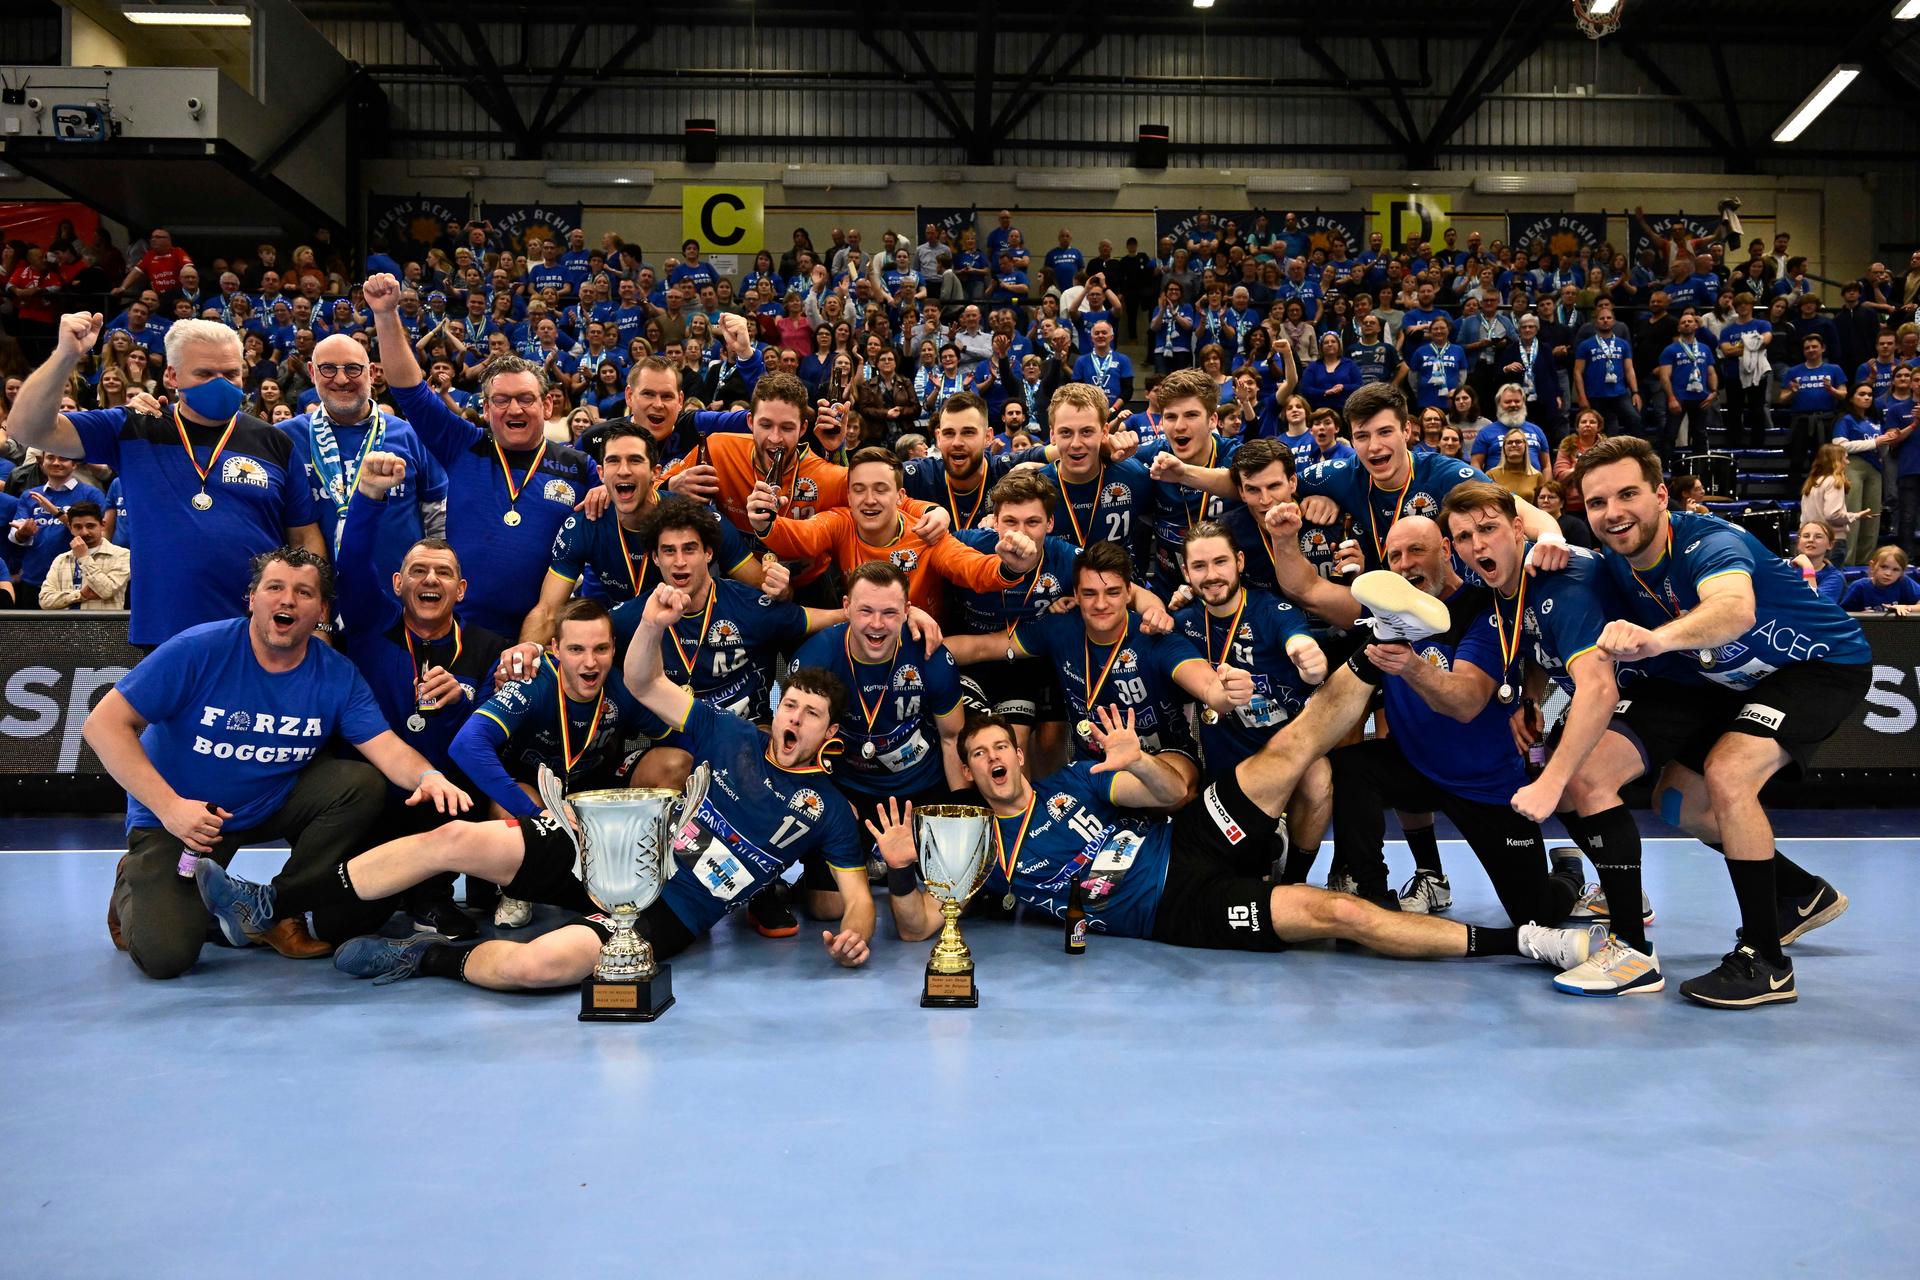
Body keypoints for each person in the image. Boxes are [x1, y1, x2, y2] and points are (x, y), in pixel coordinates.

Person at [198, 585, 877, 992]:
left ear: (828, 733)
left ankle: (426, 958)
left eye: (809, 715)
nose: (792, 718)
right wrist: (651, 624)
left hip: (667, 910)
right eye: (789, 705)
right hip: (609, 848)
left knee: (539, 970)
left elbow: (855, 902)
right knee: (456, 837)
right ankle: (268, 901)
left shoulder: (830, 812)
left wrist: (853, 936)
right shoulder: (731, 732)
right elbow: (644, 683)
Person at [885, 698, 1601, 971]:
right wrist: (900, 869)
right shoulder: (971, 842)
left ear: (1018, 752)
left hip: (1190, 838)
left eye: (1000, 747)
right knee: (1339, 915)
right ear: (972, 773)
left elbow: (1174, 793)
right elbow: (919, 929)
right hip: (1177, 911)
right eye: (977, 755)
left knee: (1288, 756)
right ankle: (1527, 940)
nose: (993, 759)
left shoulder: (1071, 780)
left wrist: (1138, 763)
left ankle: (1367, 649)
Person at [85, 547, 469, 979]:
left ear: (321, 609)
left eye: (304, 592)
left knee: (359, 784)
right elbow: (103, 725)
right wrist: (170, 807)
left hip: (269, 803)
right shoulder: (198, 649)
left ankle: (275, 909)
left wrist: (429, 775)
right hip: (184, 819)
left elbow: (386, 747)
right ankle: (133, 883)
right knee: (166, 957)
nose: (287, 600)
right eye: (275, 588)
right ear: (252, 598)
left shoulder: (337, 674)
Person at [1574, 435, 1860, 1007]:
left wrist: (1656, 641)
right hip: (1736, 680)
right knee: (1677, 803)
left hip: (1818, 665)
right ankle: (1798, 894)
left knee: (1730, 775)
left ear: (1660, 495)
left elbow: (1734, 609)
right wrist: (1548, 542)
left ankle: (1767, 962)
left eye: (1628, 494)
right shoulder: (1616, 560)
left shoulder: (1709, 540)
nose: (1613, 513)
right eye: (1597, 502)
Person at [1437, 481, 1663, 994]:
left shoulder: (1560, 578)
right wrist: (1532, 699)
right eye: (1465, 536)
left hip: (1660, 684)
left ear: (1520, 529)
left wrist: (1553, 779)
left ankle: (1633, 952)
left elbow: (1598, 684)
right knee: (1690, 806)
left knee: (1580, 780)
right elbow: (1540, 647)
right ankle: (1796, 894)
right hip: (1623, 688)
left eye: (1489, 529)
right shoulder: (1502, 589)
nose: (1478, 546)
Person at [7, 313, 325, 646]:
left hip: (262, 633)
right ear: (172, 376)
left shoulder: (274, 442)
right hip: (166, 632)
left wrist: (317, 622)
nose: (221, 383)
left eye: (231, 373)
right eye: (204, 373)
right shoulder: (135, 427)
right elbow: (27, 428)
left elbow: (304, 538)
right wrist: (65, 356)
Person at [335, 453, 511, 937]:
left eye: (442, 573)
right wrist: (368, 496)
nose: (430, 580)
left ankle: (430, 895)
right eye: (417, 571)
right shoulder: (371, 627)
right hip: (374, 792)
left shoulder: (487, 647)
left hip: (447, 795)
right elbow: (351, 565)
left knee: (474, 774)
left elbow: (496, 730)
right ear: (397, 584)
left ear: (461, 589)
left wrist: (464, 701)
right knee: (344, 922)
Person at [365, 272, 598, 637]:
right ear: (486, 409)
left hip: (542, 636)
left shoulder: (581, 468)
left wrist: (612, 490)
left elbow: (629, 505)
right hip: (458, 632)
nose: (514, 410)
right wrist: (385, 314)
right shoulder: (464, 444)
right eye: (502, 401)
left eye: (525, 399)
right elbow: (409, 390)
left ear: (547, 404)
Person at [789, 562, 969, 913]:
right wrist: (831, 798)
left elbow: (952, 740)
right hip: (849, 789)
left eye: (889, 613)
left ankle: (888, 865)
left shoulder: (930, 656)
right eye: (866, 610)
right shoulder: (817, 657)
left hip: (920, 786)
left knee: (955, 896)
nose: (876, 624)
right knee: (827, 908)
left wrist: (962, 819)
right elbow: (794, 746)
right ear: (846, 608)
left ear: (906, 612)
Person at [1171, 520, 1331, 872]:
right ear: (1186, 571)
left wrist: (1311, 662)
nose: (1211, 575)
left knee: (1319, 778)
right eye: (1199, 566)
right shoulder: (1182, 624)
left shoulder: (1271, 610)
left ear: (1240, 562)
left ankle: (1296, 881)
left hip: (1287, 753)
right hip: (1228, 771)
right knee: (1245, 873)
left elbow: (1300, 642)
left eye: (1220, 562)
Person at [521, 421, 769, 644]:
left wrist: (780, 584)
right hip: (624, 637)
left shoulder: (697, 519)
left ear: (656, 472)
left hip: (694, 639)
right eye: (613, 461)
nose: (624, 470)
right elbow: (547, 612)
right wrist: (524, 654)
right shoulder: (585, 523)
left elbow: (760, 586)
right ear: (601, 473)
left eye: (635, 460)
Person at [752, 445, 1036, 615]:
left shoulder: (926, 534)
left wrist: (1010, 568)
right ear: (848, 497)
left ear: (900, 497)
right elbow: (802, 537)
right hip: (861, 636)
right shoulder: (841, 522)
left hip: (919, 645)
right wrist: (766, 521)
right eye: (859, 490)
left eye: (880, 489)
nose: (870, 500)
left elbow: (971, 568)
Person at [282, 331, 448, 568]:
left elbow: (438, 520)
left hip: (398, 595)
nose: (341, 379)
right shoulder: (283, 438)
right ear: (311, 372)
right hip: (314, 597)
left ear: (370, 373)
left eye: (353, 368)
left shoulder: (414, 436)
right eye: (328, 368)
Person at [6, 449, 108, 608]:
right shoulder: (30, 495)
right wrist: (22, 534)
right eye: (51, 458)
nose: (56, 463)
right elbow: (15, 535)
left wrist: (57, 513)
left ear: (74, 464)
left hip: (75, 581)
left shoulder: (91, 494)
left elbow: (98, 534)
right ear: (42, 463)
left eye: (63, 459)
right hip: (34, 578)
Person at [1775, 334, 1848, 493]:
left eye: (1814, 346)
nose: (1811, 350)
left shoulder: (1834, 369)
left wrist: (1832, 390)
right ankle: (1795, 493)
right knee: (1796, 459)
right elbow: (1781, 398)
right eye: (1807, 348)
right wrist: (1792, 392)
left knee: (1824, 459)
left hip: (1826, 420)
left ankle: (1825, 491)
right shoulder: (1794, 371)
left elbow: (1844, 394)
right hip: (1800, 420)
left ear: (1823, 348)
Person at [1832, 381, 1894, 565]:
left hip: (1876, 468)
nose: (1867, 397)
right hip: (1853, 466)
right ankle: (1847, 563)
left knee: (1872, 517)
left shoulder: (1875, 421)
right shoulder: (1846, 419)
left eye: (1869, 394)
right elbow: (1840, 445)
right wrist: (1876, 442)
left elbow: (1881, 446)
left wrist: (1887, 442)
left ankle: (1864, 562)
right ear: (1851, 398)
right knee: (1853, 514)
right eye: (1861, 394)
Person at [35, 499, 129, 610]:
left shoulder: (122, 555)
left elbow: (106, 591)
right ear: (70, 528)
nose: (85, 532)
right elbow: (45, 601)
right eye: (78, 527)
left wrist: (84, 558)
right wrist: (80, 595)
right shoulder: (61, 559)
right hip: (67, 626)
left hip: (102, 626)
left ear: (102, 525)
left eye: (90, 526)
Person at [1572, 303, 1643, 441]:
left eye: (1609, 318)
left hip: (1619, 392)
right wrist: (1582, 396)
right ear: (1595, 322)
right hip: (1596, 394)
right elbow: (1577, 372)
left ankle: (1636, 453)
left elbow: (1629, 369)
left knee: (1635, 419)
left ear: (1614, 321)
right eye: (1602, 318)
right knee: (1609, 430)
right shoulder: (1586, 345)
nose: (1605, 320)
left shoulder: (1623, 344)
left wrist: (1635, 392)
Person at [1656, 311, 1720, 452]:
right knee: (1670, 434)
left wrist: (1714, 392)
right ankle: (1665, 469)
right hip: (1679, 398)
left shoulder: (1705, 349)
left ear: (1696, 325)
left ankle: (1700, 470)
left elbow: (1711, 373)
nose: (1686, 324)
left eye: (1689, 321)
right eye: (1683, 322)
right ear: (1679, 328)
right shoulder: (1670, 350)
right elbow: (1664, 376)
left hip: (1701, 398)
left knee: (1700, 435)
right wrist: (1671, 398)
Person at [1798, 443, 1868, 564]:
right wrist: (1856, 516)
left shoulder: (1812, 482)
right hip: (1831, 541)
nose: (1848, 462)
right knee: (1831, 580)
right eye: (1845, 458)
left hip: (1809, 541)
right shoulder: (1834, 482)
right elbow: (1832, 515)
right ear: (1836, 461)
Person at [1839, 545, 1920, 613]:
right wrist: (1861, 616)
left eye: (1896, 570)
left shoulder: (1903, 582)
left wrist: (1907, 607)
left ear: (1902, 572)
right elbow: (1842, 615)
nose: (1888, 573)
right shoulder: (1859, 587)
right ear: (1872, 566)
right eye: (1883, 567)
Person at [1789, 519, 1847, 605]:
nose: (1811, 540)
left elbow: (1814, 607)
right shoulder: (1783, 569)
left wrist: (1808, 568)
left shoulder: (1835, 578)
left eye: (1818, 536)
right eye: (1806, 536)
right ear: (1798, 543)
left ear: (1830, 545)